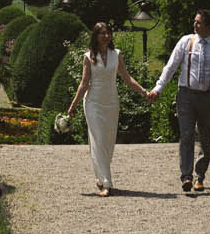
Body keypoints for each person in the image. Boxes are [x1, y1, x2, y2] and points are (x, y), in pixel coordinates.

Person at [59, 21, 151, 196]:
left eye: (108, 33)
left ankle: (100, 177)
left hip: (111, 103)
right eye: (103, 33)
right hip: (93, 103)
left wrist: (144, 91)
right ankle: (107, 182)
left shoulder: (117, 54)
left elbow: (127, 78)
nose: (106, 36)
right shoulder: (88, 57)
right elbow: (84, 84)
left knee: (107, 143)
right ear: (96, 36)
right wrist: (73, 106)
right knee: (99, 139)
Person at [149, 9, 210, 194]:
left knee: (206, 137)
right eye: (195, 21)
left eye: (199, 22)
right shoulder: (186, 41)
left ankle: (199, 176)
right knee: (186, 135)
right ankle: (186, 176)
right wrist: (158, 88)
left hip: (208, 96)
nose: (195, 25)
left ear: (209, 26)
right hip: (185, 94)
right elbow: (171, 66)